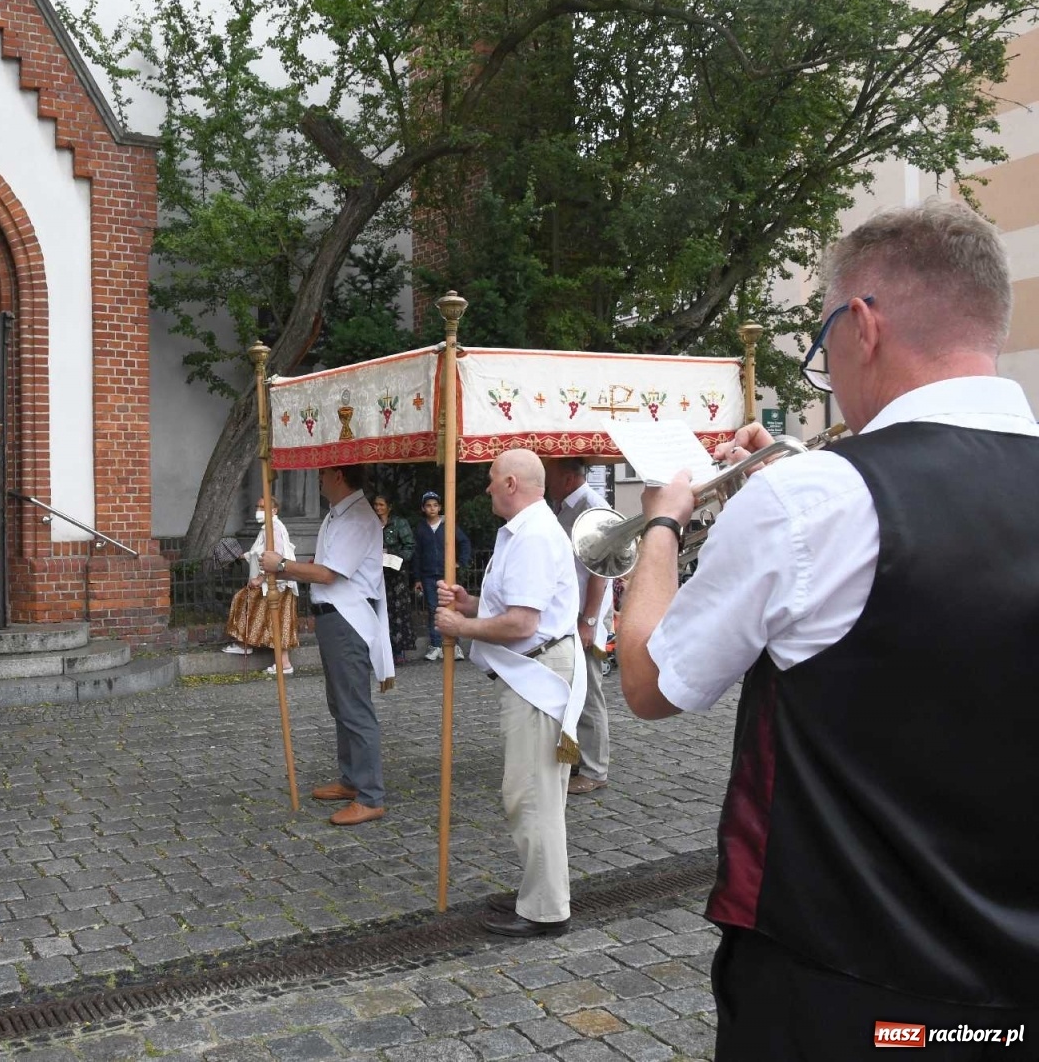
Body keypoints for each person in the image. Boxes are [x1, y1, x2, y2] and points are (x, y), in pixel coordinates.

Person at [618, 198, 1039, 1056]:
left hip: (850, 992)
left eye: (822, 345)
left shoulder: (811, 498)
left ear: (864, 324)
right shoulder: (814, 491)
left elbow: (651, 683)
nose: (830, 370)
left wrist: (665, 522)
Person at [436, 450, 584, 937]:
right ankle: (542, 896)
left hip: (537, 673)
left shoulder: (535, 535)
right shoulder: (527, 530)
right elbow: (516, 606)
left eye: (493, 479)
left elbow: (523, 622)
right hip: (533, 669)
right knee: (535, 793)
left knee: (531, 795)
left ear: (513, 483)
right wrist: (471, 604)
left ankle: (545, 909)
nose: (487, 488)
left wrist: (463, 625)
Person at [261, 464, 392, 826]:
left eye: (323, 474)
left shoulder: (356, 517)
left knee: (354, 706)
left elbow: (328, 572)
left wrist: (282, 564)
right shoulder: (340, 513)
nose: (318, 479)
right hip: (334, 616)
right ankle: (352, 780)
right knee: (341, 703)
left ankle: (370, 794)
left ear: (338, 476)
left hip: (347, 618)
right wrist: (284, 567)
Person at [544, 458, 614, 795]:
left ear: (569, 477)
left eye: (550, 474)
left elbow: (601, 569)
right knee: (572, 690)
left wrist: (588, 621)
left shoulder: (592, 507)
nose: (545, 480)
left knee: (587, 693)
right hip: (569, 614)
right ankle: (579, 758)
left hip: (585, 616)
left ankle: (595, 769)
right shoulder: (563, 506)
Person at [222, 496, 298, 675]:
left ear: (274, 511)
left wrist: (261, 578)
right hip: (274, 582)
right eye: (257, 506)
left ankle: (281, 662)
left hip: (276, 583)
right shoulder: (268, 528)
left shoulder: (274, 528)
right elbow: (260, 551)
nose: (258, 510)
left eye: (263, 507)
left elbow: (276, 556)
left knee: (273, 617)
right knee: (268, 615)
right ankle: (246, 644)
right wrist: (243, 556)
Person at [413, 490, 471, 661]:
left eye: (435, 505)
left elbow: (464, 542)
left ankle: (455, 645)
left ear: (440, 507)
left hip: (448, 574)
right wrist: (417, 578)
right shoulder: (421, 529)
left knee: (450, 607)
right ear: (423, 508)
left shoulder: (449, 525)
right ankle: (436, 645)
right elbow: (417, 554)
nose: (432, 508)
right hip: (428, 574)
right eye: (428, 506)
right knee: (433, 609)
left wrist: (460, 562)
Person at [371, 495, 417, 665]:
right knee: (379, 610)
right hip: (376, 573)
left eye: (381, 504)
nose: (378, 508)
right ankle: (381, 650)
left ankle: (399, 650)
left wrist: (396, 557)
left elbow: (410, 546)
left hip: (396, 574)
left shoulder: (399, 523)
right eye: (375, 504)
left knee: (398, 612)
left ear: (389, 507)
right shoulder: (371, 523)